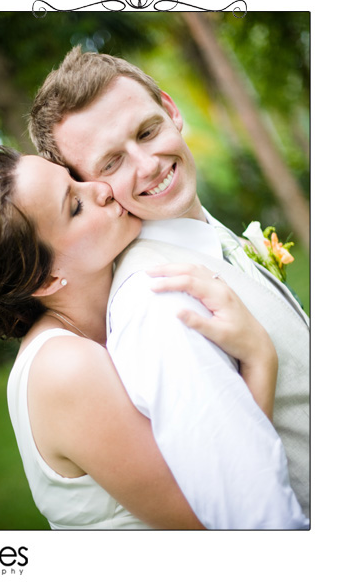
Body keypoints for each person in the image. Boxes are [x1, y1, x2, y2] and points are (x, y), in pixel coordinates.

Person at [28, 47, 310, 522]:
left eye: (147, 131)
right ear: (92, 188)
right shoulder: (158, 300)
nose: (149, 164)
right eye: (112, 162)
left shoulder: (203, 234)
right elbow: (252, 518)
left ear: (171, 109)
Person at [0, 144, 307, 529]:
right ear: (45, 279)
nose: (101, 188)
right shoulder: (65, 369)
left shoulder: (112, 320)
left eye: (76, 179)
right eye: (75, 206)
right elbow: (217, 518)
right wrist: (260, 359)